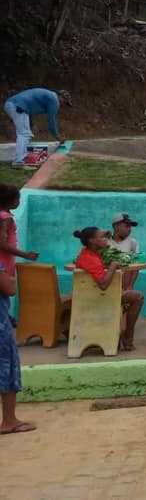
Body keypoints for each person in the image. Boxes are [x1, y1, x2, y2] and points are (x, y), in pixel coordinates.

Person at [0, 185, 37, 435]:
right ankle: (9, 420)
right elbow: (10, 289)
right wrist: (24, 255)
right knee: (7, 360)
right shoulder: (4, 218)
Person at [73, 226, 144, 352]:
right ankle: (127, 338)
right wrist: (113, 265)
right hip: (101, 297)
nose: (106, 239)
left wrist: (109, 264)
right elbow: (103, 285)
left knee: (127, 296)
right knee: (138, 297)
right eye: (102, 237)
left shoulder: (86, 253)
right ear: (92, 241)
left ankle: (117, 333)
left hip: (91, 296)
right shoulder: (92, 259)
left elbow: (97, 268)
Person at [3, 88, 70, 167]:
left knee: (25, 133)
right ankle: (18, 162)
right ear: (61, 97)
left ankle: (22, 159)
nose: (63, 105)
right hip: (18, 107)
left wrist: (32, 124)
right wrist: (58, 137)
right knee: (24, 134)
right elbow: (51, 121)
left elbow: (29, 108)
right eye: (65, 102)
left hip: (11, 104)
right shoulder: (54, 100)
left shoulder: (48, 96)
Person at [108, 212, 141, 290]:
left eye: (130, 227)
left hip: (124, 286)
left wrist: (130, 286)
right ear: (116, 227)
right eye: (126, 226)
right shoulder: (105, 241)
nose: (129, 229)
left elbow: (136, 266)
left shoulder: (133, 242)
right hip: (107, 285)